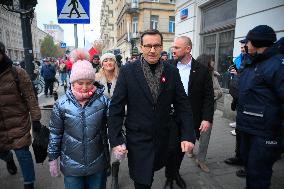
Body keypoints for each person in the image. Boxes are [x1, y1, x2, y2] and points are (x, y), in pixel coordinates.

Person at [108, 29, 195, 189]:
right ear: (141, 47)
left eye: (156, 46)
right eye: (148, 46)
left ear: (162, 47)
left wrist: (188, 134)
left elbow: (183, 105)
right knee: (142, 182)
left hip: (163, 138)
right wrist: (116, 139)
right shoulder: (128, 72)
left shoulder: (171, 71)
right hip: (138, 139)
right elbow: (116, 108)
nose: (152, 50)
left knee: (155, 170)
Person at [47, 50, 110, 189]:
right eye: (80, 83)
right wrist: (52, 157)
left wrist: (119, 143)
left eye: (89, 82)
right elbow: (55, 133)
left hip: (97, 163)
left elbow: (114, 125)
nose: (84, 87)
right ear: (72, 82)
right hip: (71, 165)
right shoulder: (61, 104)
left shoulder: (103, 101)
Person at [237, 25, 284, 189]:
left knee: (259, 176)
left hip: (265, 134)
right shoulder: (253, 62)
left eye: (247, 41)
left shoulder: (277, 65)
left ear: (257, 41)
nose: (245, 45)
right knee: (251, 170)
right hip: (248, 129)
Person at [164, 36, 214, 189]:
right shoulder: (167, 66)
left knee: (182, 150)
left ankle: (175, 173)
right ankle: (169, 179)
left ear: (188, 49)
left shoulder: (202, 70)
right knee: (171, 148)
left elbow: (208, 97)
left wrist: (206, 118)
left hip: (190, 118)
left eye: (177, 48)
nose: (173, 50)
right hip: (169, 117)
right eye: (173, 47)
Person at [0, 41, 42, 189]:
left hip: (18, 120)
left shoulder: (17, 72)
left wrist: (36, 118)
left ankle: (28, 183)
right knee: (2, 151)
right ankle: (8, 158)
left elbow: (30, 96)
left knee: (22, 152)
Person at [195, 53, 222, 172]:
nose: (213, 63)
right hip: (194, 110)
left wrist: (211, 95)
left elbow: (219, 91)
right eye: (212, 60)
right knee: (191, 133)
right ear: (206, 61)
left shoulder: (213, 75)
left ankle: (201, 160)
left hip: (208, 111)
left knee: (205, 137)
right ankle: (190, 150)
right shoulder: (194, 73)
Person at [224, 39, 247, 177]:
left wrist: (238, 75)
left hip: (251, 105)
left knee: (248, 136)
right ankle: (239, 157)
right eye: (242, 47)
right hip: (239, 97)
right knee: (240, 132)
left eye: (245, 47)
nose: (243, 49)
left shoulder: (257, 62)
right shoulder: (243, 58)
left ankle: (249, 165)